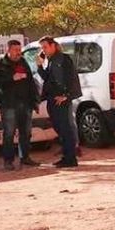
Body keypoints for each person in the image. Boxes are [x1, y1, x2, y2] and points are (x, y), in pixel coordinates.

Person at [0, 39, 41, 170]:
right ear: (8, 50)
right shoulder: (0, 64)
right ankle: (8, 161)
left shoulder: (23, 62)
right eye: (15, 50)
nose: (18, 53)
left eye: (19, 50)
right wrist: (12, 78)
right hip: (9, 104)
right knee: (9, 133)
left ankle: (25, 157)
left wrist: (35, 101)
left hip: (25, 103)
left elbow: (31, 82)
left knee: (26, 132)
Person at [36, 36, 81, 168]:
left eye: (45, 47)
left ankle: (70, 158)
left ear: (53, 45)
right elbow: (47, 78)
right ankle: (66, 156)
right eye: (42, 48)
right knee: (58, 128)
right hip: (52, 98)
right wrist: (39, 65)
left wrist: (66, 96)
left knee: (65, 128)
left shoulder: (63, 59)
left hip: (61, 99)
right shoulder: (50, 60)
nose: (43, 50)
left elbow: (71, 78)